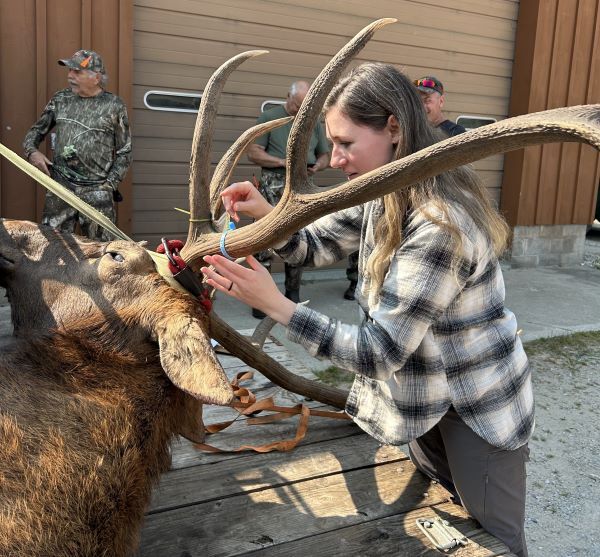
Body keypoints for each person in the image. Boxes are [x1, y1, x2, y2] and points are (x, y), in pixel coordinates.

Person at [202, 63, 532, 556]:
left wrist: (279, 306)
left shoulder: (441, 224)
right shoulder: (385, 189)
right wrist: (267, 216)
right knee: (440, 522)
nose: (334, 159)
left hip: (474, 407)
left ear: (394, 129)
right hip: (422, 399)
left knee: (493, 541)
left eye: (345, 143)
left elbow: (380, 353)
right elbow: (316, 244)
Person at [23, 49, 132, 241]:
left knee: (102, 252)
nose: (70, 75)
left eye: (76, 72)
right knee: (53, 248)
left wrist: (108, 186)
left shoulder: (114, 106)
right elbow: (34, 133)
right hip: (61, 190)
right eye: (69, 70)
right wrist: (32, 152)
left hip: (97, 193)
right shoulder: (60, 100)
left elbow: (125, 151)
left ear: (96, 77)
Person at [246, 81, 330, 314]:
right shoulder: (270, 117)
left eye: (304, 107)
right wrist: (283, 162)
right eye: (296, 105)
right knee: (263, 240)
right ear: (287, 97)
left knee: (298, 236)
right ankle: (260, 298)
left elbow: (325, 155)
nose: (298, 111)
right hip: (273, 188)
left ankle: (292, 292)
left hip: (301, 187)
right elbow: (253, 152)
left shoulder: (312, 123)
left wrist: (318, 166)